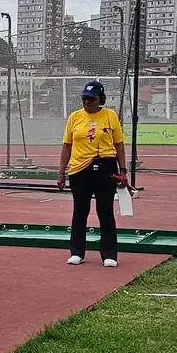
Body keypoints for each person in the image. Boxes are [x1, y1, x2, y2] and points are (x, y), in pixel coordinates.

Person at [58, 81, 128, 268]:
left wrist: (123, 170)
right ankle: (77, 252)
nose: (87, 101)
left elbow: (119, 144)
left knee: (105, 211)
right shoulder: (74, 117)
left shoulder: (110, 116)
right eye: (84, 98)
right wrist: (61, 173)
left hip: (106, 166)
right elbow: (67, 146)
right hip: (79, 168)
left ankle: (109, 254)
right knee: (80, 211)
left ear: (100, 99)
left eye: (91, 98)